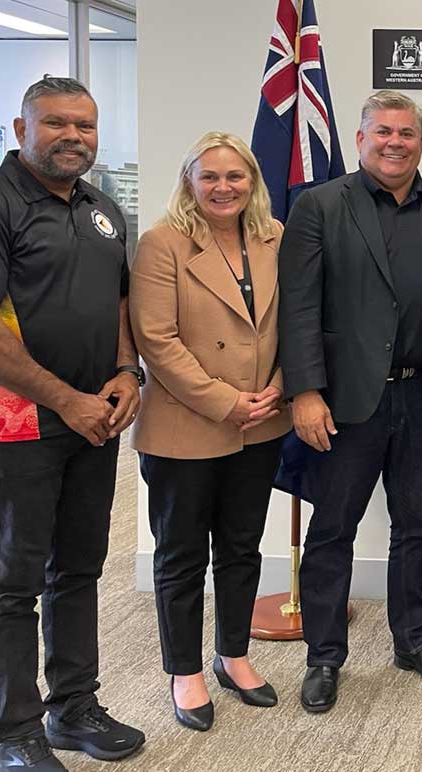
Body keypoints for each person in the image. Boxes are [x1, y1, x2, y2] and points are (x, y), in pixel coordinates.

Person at [0, 76, 146, 772]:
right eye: (56, 123)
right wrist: (69, 400)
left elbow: (119, 303)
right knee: (15, 578)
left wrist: (125, 370)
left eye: (85, 125)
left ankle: (75, 707)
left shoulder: (103, 209)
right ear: (20, 128)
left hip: (96, 418)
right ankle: (17, 731)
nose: (73, 137)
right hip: (18, 424)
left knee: (79, 568)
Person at [278, 90, 422, 713]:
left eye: (406, 133)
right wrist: (304, 392)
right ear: (361, 139)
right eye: (383, 131)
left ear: (421, 140)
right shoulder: (319, 206)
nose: (395, 142)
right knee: (332, 531)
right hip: (344, 403)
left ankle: (414, 640)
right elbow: (299, 307)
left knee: (419, 528)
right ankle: (324, 656)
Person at [130, 132, 290, 731]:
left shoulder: (275, 238)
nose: (224, 188)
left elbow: (298, 319)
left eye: (236, 177)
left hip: (262, 421)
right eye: (210, 177)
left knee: (242, 546)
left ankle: (234, 655)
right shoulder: (162, 244)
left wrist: (280, 385)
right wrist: (225, 402)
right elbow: (157, 342)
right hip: (187, 424)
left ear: (252, 181)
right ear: (189, 181)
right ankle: (185, 671)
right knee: (181, 553)